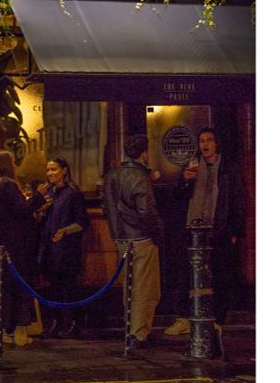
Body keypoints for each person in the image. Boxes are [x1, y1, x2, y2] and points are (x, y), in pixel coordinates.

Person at [166, 127, 246, 335]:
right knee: (185, 275)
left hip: (217, 228)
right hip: (192, 229)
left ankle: (217, 319)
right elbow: (175, 198)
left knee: (219, 275)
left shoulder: (228, 168)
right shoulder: (192, 166)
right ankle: (183, 317)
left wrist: (235, 230)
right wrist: (185, 181)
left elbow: (238, 199)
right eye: (202, 141)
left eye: (209, 140)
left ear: (216, 143)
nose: (205, 144)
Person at [103, 134, 164, 349]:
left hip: (120, 237)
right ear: (144, 153)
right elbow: (147, 211)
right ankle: (139, 334)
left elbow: (108, 208)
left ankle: (130, 328)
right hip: (140, 238)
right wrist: (157, 233)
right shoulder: (140, 177)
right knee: (145, 289)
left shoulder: (112, 175)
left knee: (128, 287)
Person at [0, 149, 36, 347]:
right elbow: (22, 211)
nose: (15, 164)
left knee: (2, 288)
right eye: (12, 161)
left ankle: (2, 329)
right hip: (15, 245)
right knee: (17, 288)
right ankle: (15, 330)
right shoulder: (9, 185)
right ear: (6, 164)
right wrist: (37, 198)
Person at [34, 157, 90, 338]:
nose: (50, 173)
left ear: (64, 170)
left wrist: (65, 230)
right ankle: (56, 322)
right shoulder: (50, 193)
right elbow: (40, 220)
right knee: (53, 288)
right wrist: (41, 209)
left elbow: (82, 222)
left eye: (54, 169)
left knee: (69, 287)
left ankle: (74, 323)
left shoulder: (73, 193)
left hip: (66, 250)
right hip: (49, 248)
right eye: (48, 170)